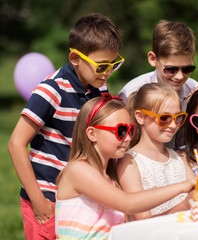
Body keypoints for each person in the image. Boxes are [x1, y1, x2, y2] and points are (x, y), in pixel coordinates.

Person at [8, 13, 124, 239]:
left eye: (114, 64)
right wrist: (38, 199)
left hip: (79, 198)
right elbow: (16, 143)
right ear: (75, 58)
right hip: (47, 199)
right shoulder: (51, 91)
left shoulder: (99, 89)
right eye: (102, 66)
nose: (108, 72)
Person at [55, 94, 195, 239]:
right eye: (121, 131)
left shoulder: (112, 180)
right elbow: (128, 203)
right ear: (92, 133)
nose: (128, 138)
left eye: (130, 131)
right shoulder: (78, 169)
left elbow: (132, 227)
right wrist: (183, 186)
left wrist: (185, 205)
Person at [116, 83, 196, 220]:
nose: (172, 125)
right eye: (164, 118)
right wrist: (185, 206)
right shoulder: (129, 162)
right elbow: (143, 219)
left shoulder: (178, 158)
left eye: (178, 118)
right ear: (140, 117)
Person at [118, 20, 198, 112]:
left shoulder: (195, 91)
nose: (179, 76)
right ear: (153, 59)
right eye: (171, 69)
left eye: (187, 69)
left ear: (192, 59)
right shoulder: (130, 94)